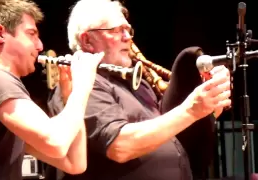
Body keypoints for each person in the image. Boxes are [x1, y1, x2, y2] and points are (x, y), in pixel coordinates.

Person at [47, 0, 232, 179]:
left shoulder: (139, 84)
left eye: (128, 30)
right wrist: (192, 109)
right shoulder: (82, 85)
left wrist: (211, 103)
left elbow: (169, 127)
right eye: (117, 30)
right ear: (87, 40)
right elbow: (119, 146)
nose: (128, 38)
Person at [0, 0, 105, 179]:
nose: (40, 46)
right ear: (0, 34)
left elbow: (75, 163)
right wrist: (83, 86)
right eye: (31, 34)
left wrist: (70, 93)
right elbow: (56, 141)